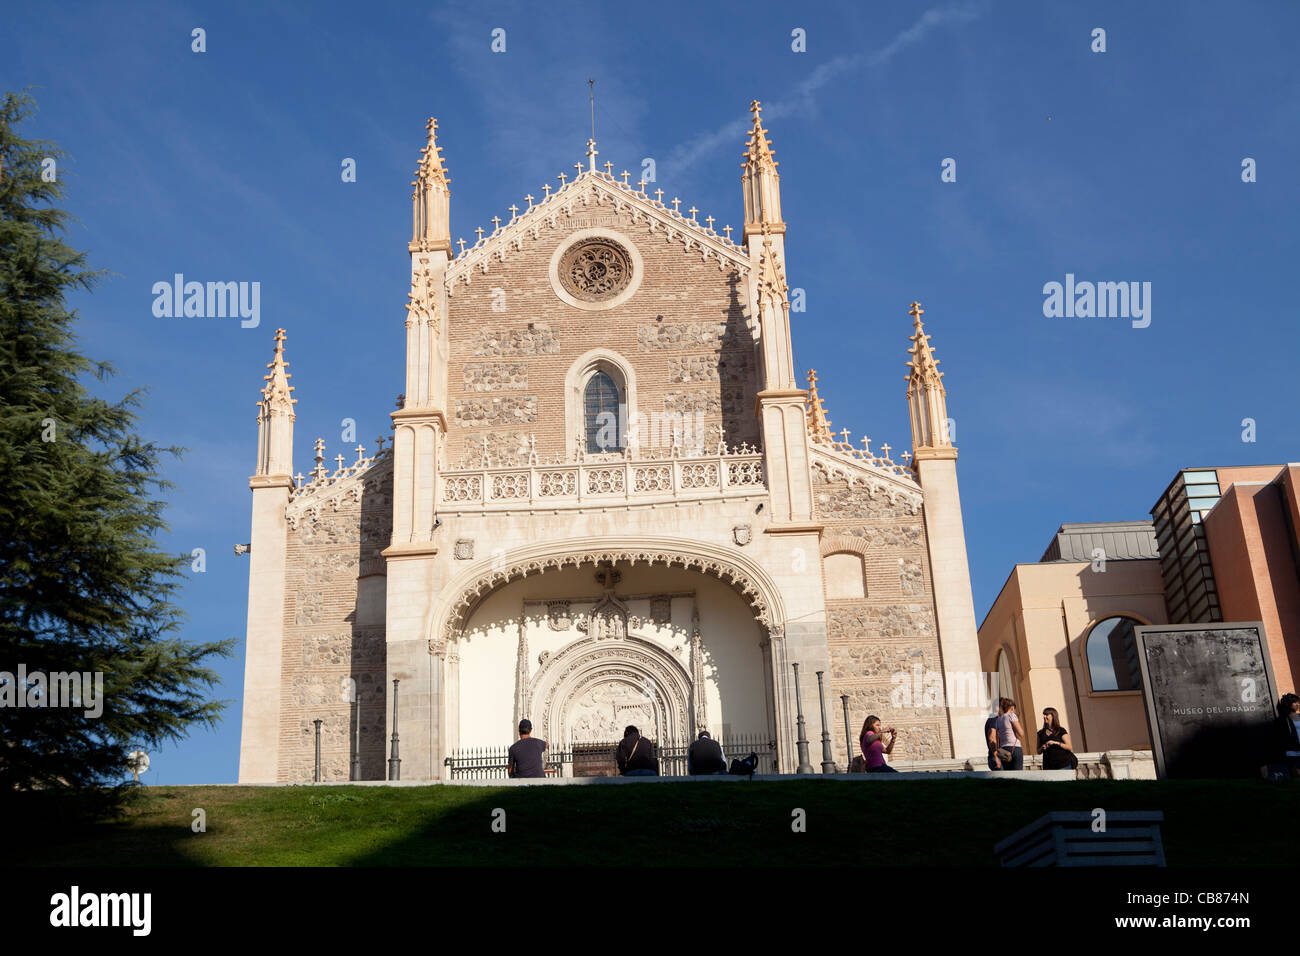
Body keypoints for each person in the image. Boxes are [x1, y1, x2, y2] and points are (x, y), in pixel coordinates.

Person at [1037, 706, 1076, 771]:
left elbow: (1069, 747)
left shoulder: (1060, 730)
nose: (1044, 717)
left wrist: (1055, 742)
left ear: (1053, 716)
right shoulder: (1040, 733)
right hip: (1048, 767)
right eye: (1044, 715)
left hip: (1063, 765)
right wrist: (1042, 747)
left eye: (1047, 715)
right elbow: (1038, 751)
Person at [991, 697, 1023, 770]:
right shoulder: (1011, 716)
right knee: (1018, 774)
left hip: (1003, 749)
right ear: (1012, 708)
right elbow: (1021, 733)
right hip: (1014, 748)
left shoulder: (998, 719)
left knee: (1008, 774)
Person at [1274, 693, 1300, 775]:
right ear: (1288, 704)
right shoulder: (1282, 720)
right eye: (1294, 702)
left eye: (1298, 702)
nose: (1297, 704)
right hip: (1292, 753)